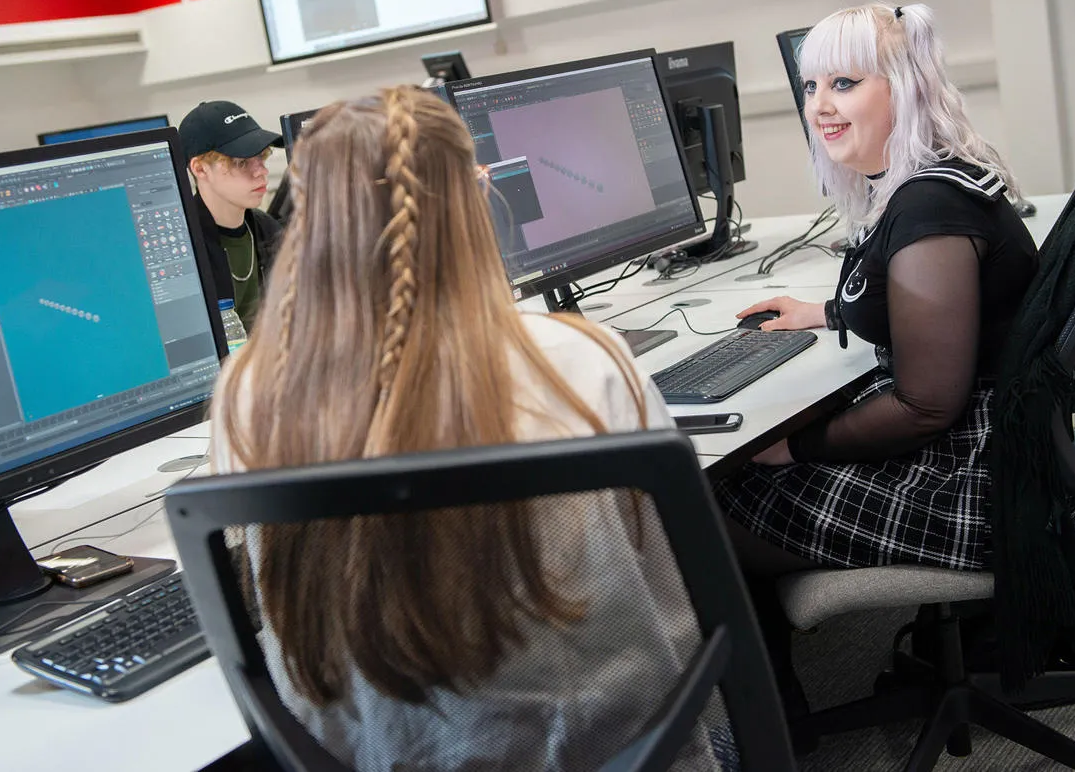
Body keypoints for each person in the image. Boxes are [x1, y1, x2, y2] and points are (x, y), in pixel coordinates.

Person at [209, 86, 726, 771]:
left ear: (312, 225)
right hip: (611, 752)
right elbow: (679, 592)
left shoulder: (246, 393)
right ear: (471, 199)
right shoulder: (578, 358)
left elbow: (262, 603)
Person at [713, 2, 1075, 715]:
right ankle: (776, 702)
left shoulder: (927, 213)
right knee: (741, 467)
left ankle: (771, 722)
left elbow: (924, 406)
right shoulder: (937, 180)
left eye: (845, 84)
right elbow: (934, 311)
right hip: (1002, 449)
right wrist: (823, 312)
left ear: (904, 86)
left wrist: (793, 447)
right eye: (809, 87)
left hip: (972, 483)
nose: (820, 107)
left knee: (703, 498)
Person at [178, 100, 284, 333]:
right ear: (200, 169)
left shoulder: (268, 229)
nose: (262, 171)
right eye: (241, 162)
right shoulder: (184, 252)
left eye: (261, 157)